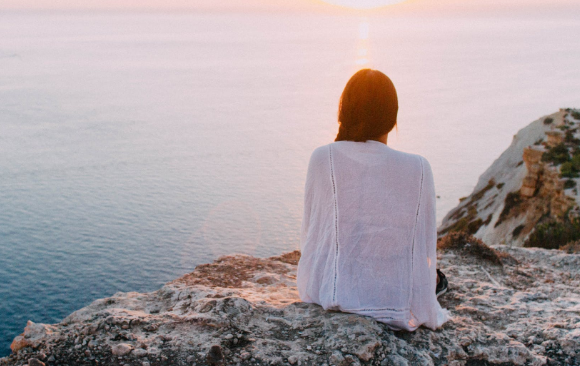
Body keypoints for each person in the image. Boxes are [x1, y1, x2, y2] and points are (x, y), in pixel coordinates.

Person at [296, 69, 449, 331]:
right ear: (391, 118)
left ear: (344, 111)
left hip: (333, 291)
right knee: (435, 278)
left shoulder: (322, 158)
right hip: (394, 295)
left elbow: (312, 237)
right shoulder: (419, 168)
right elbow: (424, 246)